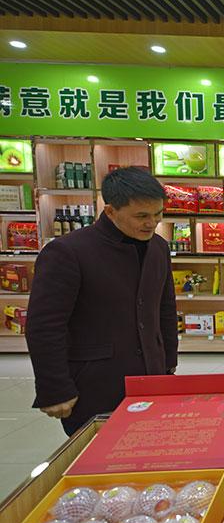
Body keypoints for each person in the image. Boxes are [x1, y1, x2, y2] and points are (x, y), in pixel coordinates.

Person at [26, 167, 178, 436]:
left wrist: (168, 363)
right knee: (99, 453)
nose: (152, 223)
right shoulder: (68, 252)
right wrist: (55, 387)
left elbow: (165, 308)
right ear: (110, 211)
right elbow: (45, 325)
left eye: (158, 214)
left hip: (151, 378)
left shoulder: (159, 247)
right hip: (95, 384)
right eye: (141, 216)